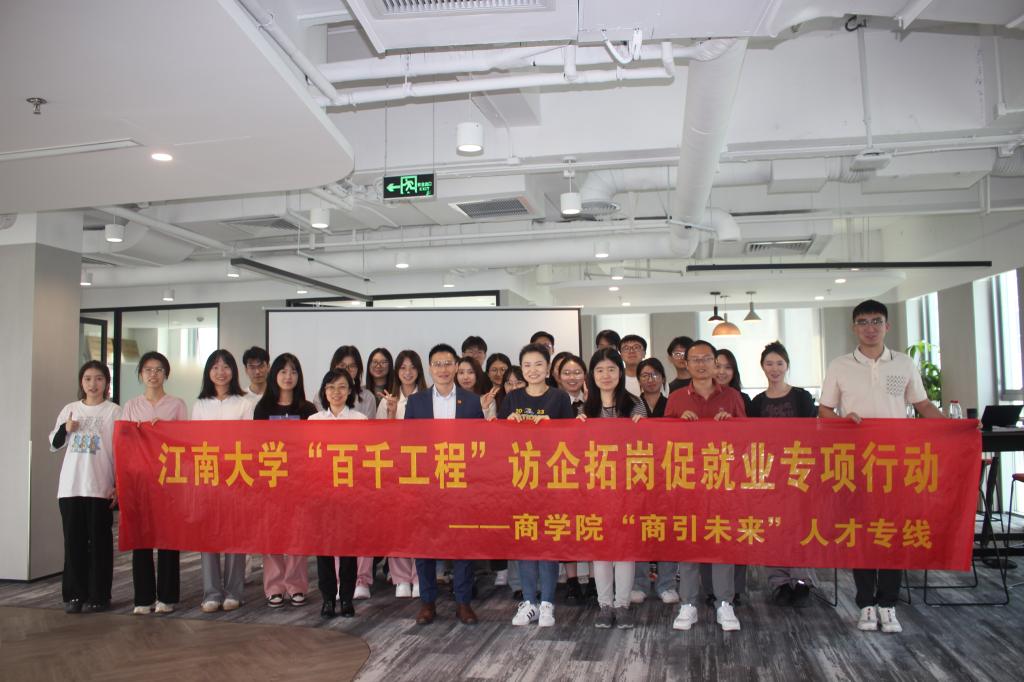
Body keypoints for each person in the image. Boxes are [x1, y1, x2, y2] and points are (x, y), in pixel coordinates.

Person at [819, 299, 944, 634]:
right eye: (863, 322)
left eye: (876, 321)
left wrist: (954, 428)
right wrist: (843, 420)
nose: (870, 328)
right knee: (861, 533)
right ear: (854, 328)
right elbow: (825, 410)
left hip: (895, 463)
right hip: (855, 463)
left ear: (887, 326)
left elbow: (922, 404)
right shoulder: (840, 365)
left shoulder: (903, 363)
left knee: (892, 534)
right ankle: (866, 604)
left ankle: (888, 604)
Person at [664, 340, 745, 632]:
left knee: (722, 540)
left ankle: (724, 603)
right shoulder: (676, 398)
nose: (701, 364)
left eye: (707, 359)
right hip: (687, 482)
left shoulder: (732, 396)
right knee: (689, 541)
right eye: (695, 359)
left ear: (715, 363)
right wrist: (678, 425)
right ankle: (688, 604)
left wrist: (731, 424)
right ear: (686, 364)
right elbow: (662, 443)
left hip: (723, 481)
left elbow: (748, 440)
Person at [405, 343, 485, 626]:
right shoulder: (416, 402)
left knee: (463, 542)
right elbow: (408, 445)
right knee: (424, 543)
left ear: (456, 366)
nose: (443, 369)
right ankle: (428, 602)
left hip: (460, 481)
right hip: (426, 484)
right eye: (437, 364)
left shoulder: (471, 401)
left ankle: (463, 602)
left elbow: (479, 444)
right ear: (430, 368)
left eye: (448, 363)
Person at [498, 343, 575, 628]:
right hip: (520, 480)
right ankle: (529, 601)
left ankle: (547, 603)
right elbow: (499, 441)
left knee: (548, 543)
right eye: (527, 365)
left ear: (548, 367)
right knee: (526, 541)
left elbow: (572, 441)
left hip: (551, 480)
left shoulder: (559, 398)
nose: (533, 370)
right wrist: (508, 423)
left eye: (539, 364)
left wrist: (551, 425)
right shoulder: (512, 398)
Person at [577, 348, 645, 629]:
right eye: (600, 370)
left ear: (621, 372)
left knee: (625, 549)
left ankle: (622, 605)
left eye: (611, 369)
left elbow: (646, 447)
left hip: (628, 489)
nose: (606, 375)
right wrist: (576, 428)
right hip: (596, 490)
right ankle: (604, 605)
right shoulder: (585, 408)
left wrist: (642, 427)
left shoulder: (635, 405)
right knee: (601, 549)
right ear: (592, 375)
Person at [749, 341, 818, 608]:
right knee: (773, 526)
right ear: (762, 367)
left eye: (779, 363)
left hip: (798, 469)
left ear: (787, 365)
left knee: (799, 524)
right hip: (768, 472)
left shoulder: (801, 397)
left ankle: (801, 580)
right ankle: (778, 581)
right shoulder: (757, 403)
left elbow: (812, 432)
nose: (774, 368)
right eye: (769, 363)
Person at [49, 360, 121, 614]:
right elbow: (54, 443)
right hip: (71, 487)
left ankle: (99, 595)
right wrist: (65, 428)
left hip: (100, 486)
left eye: (99, 378)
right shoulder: (70, 409)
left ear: (106, 383)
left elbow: (121, 451)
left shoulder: (114, 411)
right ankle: (74, 595)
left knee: (100, 543)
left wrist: (118, 485)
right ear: (82, 382)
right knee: (74, 543)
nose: (93, 384)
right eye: (88, 378)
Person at [121, 351, 187, 615]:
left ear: (166, 374)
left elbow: (185, 443)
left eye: (159, 370)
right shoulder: (131, 406)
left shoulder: (177, 404)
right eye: (148, 369)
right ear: (140, 374)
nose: (153, 374)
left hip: (169, 480)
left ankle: (167, 596)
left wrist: (165, 431)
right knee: (141, 537)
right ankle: (143, 597)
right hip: (140, 480)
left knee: (169, 538)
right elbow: (124, 443)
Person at [192, 349, 255, 613]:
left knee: (235, 535)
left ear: (233, 371)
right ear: (209, 372)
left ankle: (233, 591)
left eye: (226, 366)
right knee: (208, 537)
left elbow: (248, 441)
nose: (221, 372)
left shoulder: (244, 402)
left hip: (235, 476)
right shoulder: (200, 404)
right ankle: (211, 592)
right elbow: (195, 443)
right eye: (215, 367)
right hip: (208, 476)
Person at [253, 353, 317, 609]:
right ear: (274, 376)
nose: (288, 376)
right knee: (272, 535)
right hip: (271, 481)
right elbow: (256, 446)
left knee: (297, 535)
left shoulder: (308, 409)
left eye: (293, 371)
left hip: (300, 481)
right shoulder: (263, 409)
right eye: (283, 371)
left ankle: (296, 585)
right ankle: (274, 587)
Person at [309, 368, 367, 618]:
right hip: (321, 494)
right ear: (324, 391)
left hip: (350, 494)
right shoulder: (313, 421)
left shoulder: (360, 420)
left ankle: (346, 598)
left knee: (347, 550)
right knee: (323, 549)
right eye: (331, 387)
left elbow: (365, 458)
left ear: (350, 391)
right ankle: (327, 598)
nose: (336, 392)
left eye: (342, 387)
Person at [374, 350, 426, 597]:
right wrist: (392, 413)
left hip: (422, 469)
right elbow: (381, 439)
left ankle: (419, 576)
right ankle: (400, 577)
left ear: (419, 371)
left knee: (420, 524)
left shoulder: (427, 398)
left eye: (412, 367)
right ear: (396, 371)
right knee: (398, 524)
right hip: (395, 469)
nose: (408, 372)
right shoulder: (387, 400)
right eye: (403, 367)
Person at [330, 346, 377, 419]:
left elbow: (370, 425)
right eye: (342, 365)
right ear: (334, 367)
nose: (346, 370)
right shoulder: (321, 396)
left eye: (352, 366)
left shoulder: (368, 397)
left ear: (358, 369)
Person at [457, 355, 499, 420]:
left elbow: (492, 424)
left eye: (470, 372)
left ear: (477, 374)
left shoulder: (487, 399)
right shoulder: (450, 399)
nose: (465, 377)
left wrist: (485, 408)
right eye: (461, 372)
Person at [714, 348, 753, 416]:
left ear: (734, 372)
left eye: (728, 367)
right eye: (717, 366)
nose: (722, 372)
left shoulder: (743, 398)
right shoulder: (703, 396)